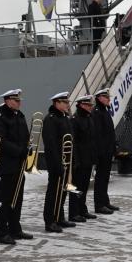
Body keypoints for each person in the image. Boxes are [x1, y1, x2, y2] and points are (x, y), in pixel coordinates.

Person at [0, 89, 32, 245]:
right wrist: (19, 150)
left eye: (19, 100)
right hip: (5, 165)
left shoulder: (19, 117)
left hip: (18, 165)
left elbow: (25, 136)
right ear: (7, 101)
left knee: (17, 199)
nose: (19, 103)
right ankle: (2, 232)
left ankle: (15, 228)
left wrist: (29, 147)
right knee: (5, 200)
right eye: (16, 100)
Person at [41, 92, 77, 232]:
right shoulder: (50, 119)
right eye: (65, 102)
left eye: (67, 102)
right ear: (57, 103)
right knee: (53, 192)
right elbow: (50, 145)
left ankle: (60, 217)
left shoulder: (65, 118)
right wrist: (58, 164)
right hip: (56, 162)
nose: (68, 105)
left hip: (66, 161)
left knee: (62, 192)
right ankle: (50, 221)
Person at [69, 95, 97, 223]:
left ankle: (82, 209)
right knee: (76, 186)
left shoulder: (89, 118)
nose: (91, 107)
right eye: (89, 105)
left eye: (91, 105)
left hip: (88, 158)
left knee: (84, 185)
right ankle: (74, 212)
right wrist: (76, 160)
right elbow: (74, 142)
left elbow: (91, 140)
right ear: (82, 105)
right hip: (79, 159)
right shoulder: (75, 120)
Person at [92, 88, 120, 215]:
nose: (109, 99)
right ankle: (99, 205)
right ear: (99, 98)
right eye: (106, 97)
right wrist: (101, 152)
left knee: (105, 177)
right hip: (102, 153)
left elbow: (109, 133)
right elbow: (98, 136)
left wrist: (113, 150)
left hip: (108, 152)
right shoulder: (97, 112)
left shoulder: (105, 111)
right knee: (100, 178)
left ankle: (105, 201)